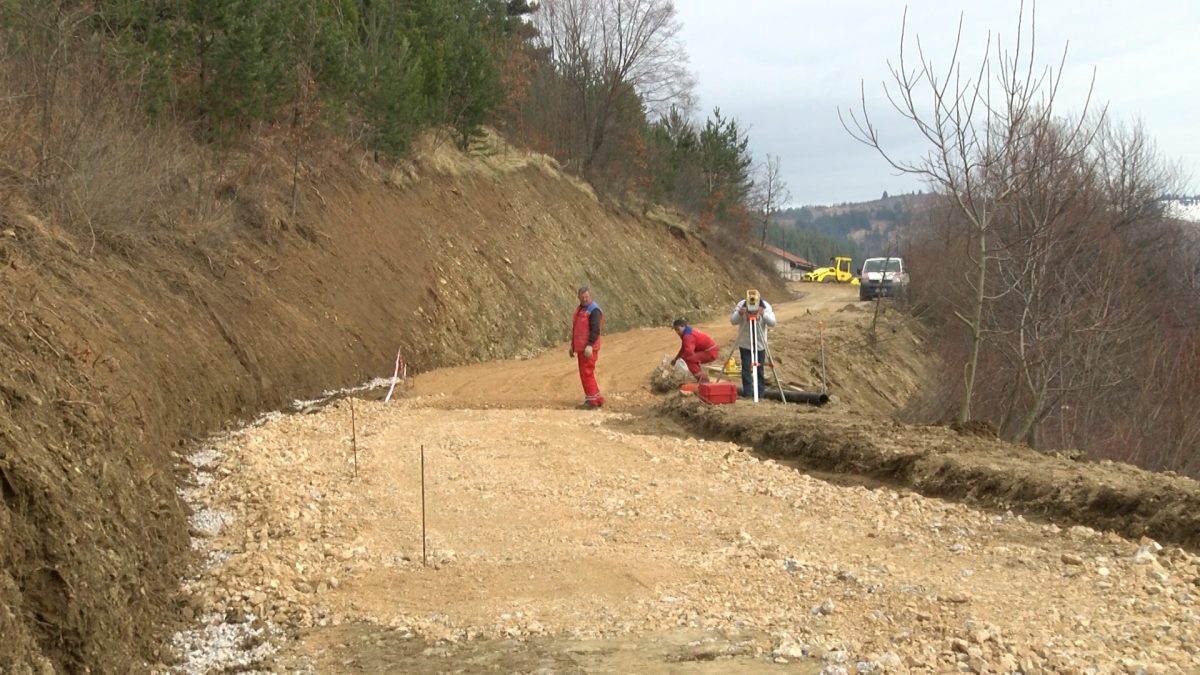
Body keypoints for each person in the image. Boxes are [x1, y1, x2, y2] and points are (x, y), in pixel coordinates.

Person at [730, 294, 776, 397]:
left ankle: (760, 394)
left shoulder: (766, 306)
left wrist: (763, 313)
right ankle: (748, 394)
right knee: (746, 369)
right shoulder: (741, 304)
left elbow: (772, 323)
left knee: (759, 370)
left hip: (760, 344)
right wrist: (740, 313)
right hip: (745, 344)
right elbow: (733, 321)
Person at [569, 286, 604, 409]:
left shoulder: (594, 310)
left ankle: (592, 402)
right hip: (582, 348)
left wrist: (589, 345)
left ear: (590, 296)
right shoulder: (581, 310)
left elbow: (595, 330)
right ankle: (597, 399)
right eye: (582, 297)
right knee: (587, 373)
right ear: (578, 297)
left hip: (588, 349)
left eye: (586, 297)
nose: (584, 299)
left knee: (586, 373)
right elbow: (577, 329)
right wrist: (572, 346)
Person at [670, 319, 719, 383]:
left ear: (683, 326)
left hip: (710, 352)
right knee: (689, 358)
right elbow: (683, 348)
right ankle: (702, 377)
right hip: (710, 350)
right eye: (675, 330)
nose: (677, 332)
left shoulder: (688, 336)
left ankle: (703, 380)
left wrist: (680, 360)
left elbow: (688, 352)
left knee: (688, 359)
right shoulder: (688, 331)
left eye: (678, 329)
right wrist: (676, 359)